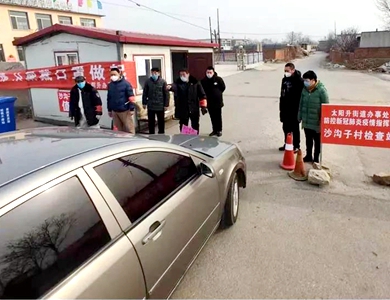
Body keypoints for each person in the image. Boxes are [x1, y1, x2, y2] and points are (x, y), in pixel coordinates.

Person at [298, 70, 329, 163]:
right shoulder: (304, 89)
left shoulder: (321, 91)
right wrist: (299, 116)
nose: (305, 82)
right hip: (307, 121)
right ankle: (308, 156)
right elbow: (301, 103)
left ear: (313, 80)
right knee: (308, 140)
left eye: (306, 80)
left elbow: (326, 107)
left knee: (317, 142)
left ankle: (316, 159)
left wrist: (322, 120)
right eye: (304, 80)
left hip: (317, 122)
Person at [167, 69, 207, 134]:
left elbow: (202, 95)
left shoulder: (195, 83)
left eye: (184, 74)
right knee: (183, 125)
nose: (182, 76)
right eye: (180, 75)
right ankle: (184, 138)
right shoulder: (178, 83)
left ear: (188, 74)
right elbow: (174, 86)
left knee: (195, 125)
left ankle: (195, 138)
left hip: (194, 108)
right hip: (183, 109)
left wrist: (203, 106)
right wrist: (170, 87)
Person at [279, 62, 303, 152]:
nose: (286, 72)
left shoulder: (299, 81)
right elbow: (282, 94)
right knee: (285, 128)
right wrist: (281, 109)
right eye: (285, 71)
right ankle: (287, 143)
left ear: (293, 70)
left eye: (287, 71)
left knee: (295, 129)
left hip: (295, 109)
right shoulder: (284, 80)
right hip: (285, 108)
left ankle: (296, 146)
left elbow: (301, 97)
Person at [107, 67, 136, 133]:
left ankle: (131, 141)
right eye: (111, 75)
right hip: (115, 111)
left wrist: (131, 109)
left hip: (125, 110)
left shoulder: (126, 84)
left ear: (119, 73)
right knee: (117, 130)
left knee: (129, 129)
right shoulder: (110, 85)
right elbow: (109, 98)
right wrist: (109, 109)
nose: (113, 76)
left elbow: (131, 97)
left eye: (114, 74)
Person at [142, 67, 169, 134]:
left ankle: (161, 135)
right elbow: (145, 93)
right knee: (151, 122)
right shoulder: (148, 82)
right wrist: (144, 103)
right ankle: (151, 135)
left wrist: (166, 105)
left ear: (159, 73)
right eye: (152, 73)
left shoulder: (163, 82)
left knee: (161, 122)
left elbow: (166, 94)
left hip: (160, 106)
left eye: (155, 73)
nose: (154, 74)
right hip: (151, 106)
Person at [201, 66, 226, 137]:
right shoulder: (203, 81)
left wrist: (218, 93)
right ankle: (214, 130)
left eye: (210, 72)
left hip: (218, 102)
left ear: (213, 72)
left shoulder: (218, 79)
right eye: (207, 72)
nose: (209, 74)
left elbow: (223, 87)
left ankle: (219, 130)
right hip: (209, 103)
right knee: (212, 117)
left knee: (218, 116)